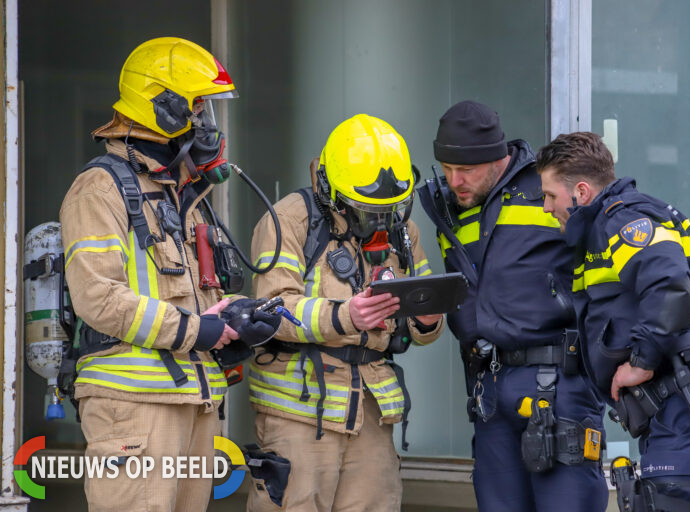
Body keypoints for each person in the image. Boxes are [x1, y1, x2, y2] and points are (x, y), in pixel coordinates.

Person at [60, 37, 280, 511]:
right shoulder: (99, 189)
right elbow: (98, 298)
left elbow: (194, 302)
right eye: (199, 110)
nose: (209, 126)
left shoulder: (185, 197)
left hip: (192, 403)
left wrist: (233, 325)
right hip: (132, 408)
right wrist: (196, 330)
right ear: (164, 109)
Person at [537, 131, 690, 511]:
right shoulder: (658, 219)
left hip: (688, 412)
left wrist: (644, 363)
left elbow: (670, 288)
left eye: (550, 195)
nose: (545, 207)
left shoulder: (621, 221)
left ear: (581, 192)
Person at [247, 113, 445, 511]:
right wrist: (346, 316)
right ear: (331, 189)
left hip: (372, 413)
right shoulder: (289, 220)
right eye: (367, 210)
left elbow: (424, 303)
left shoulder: (401, 229)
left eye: (389, 209)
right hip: (300, 416)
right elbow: (272, 309)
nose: (380, 221)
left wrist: (427, 320)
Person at [418, 101, 607, 511]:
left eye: (466, 170)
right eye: (447, 169)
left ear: (497, 157)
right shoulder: (451, 206)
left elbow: (615, 268)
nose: (455, 180)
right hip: (488, 388)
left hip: (559, 383)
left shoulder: (550, 188)